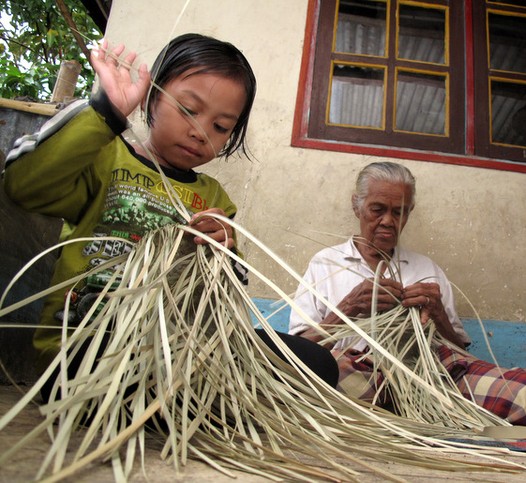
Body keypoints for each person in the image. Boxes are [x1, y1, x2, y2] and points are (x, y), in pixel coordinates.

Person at [2, 33, 338, 400]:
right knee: (122, 362)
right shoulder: (105, 156)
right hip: (89, 342)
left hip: (180, 349)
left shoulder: (214, 198)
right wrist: (105, 113)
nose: (200, 132)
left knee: (316, 361)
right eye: (188, 109)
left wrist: (221, 251)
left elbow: (225, 292)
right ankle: (193, 400)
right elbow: (25, 186)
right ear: (152, 97)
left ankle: (195, 396)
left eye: (221, 127)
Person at [289, 161, 526, 425]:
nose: (388, 221)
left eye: (398, 212)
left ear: (408, 214)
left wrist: (438, 314)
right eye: (378, 209)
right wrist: (349, 307)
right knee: (305, 384)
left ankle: (407, 413)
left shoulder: (426, 269)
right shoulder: (326, 263)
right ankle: (397, 413)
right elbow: (298, 348)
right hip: (358, 375)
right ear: (357, 207)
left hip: (432, 380)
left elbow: (459, 352)